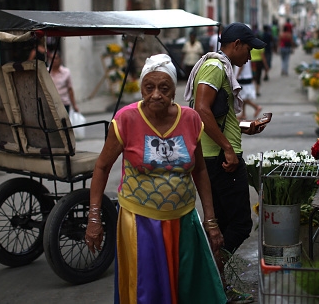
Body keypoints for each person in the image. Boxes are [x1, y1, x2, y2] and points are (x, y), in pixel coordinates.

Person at [85, 54, 226, 304]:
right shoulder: (126, 120)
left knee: (187, 290)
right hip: (140, 223)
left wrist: (211, 220)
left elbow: (200, 171)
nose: (156, 95)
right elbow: (102, 167)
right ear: (141, 89)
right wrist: (94, 217)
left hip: (184, 221)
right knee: (147, 292)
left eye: (164, 88)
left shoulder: (191, 119)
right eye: (149, 88)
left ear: (174, 90)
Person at [184, 22, 266, 304]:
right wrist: (228, 148)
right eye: (249, 49)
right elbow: (201, 110)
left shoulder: (220, 68)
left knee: (218, 224)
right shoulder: (217, 68)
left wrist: (244, 126)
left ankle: (217, 284)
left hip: (214, 155)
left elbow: (218, 115)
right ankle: (212, 273)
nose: (250, 57)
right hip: (217, 158)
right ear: (237, 45)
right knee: (241, 224)